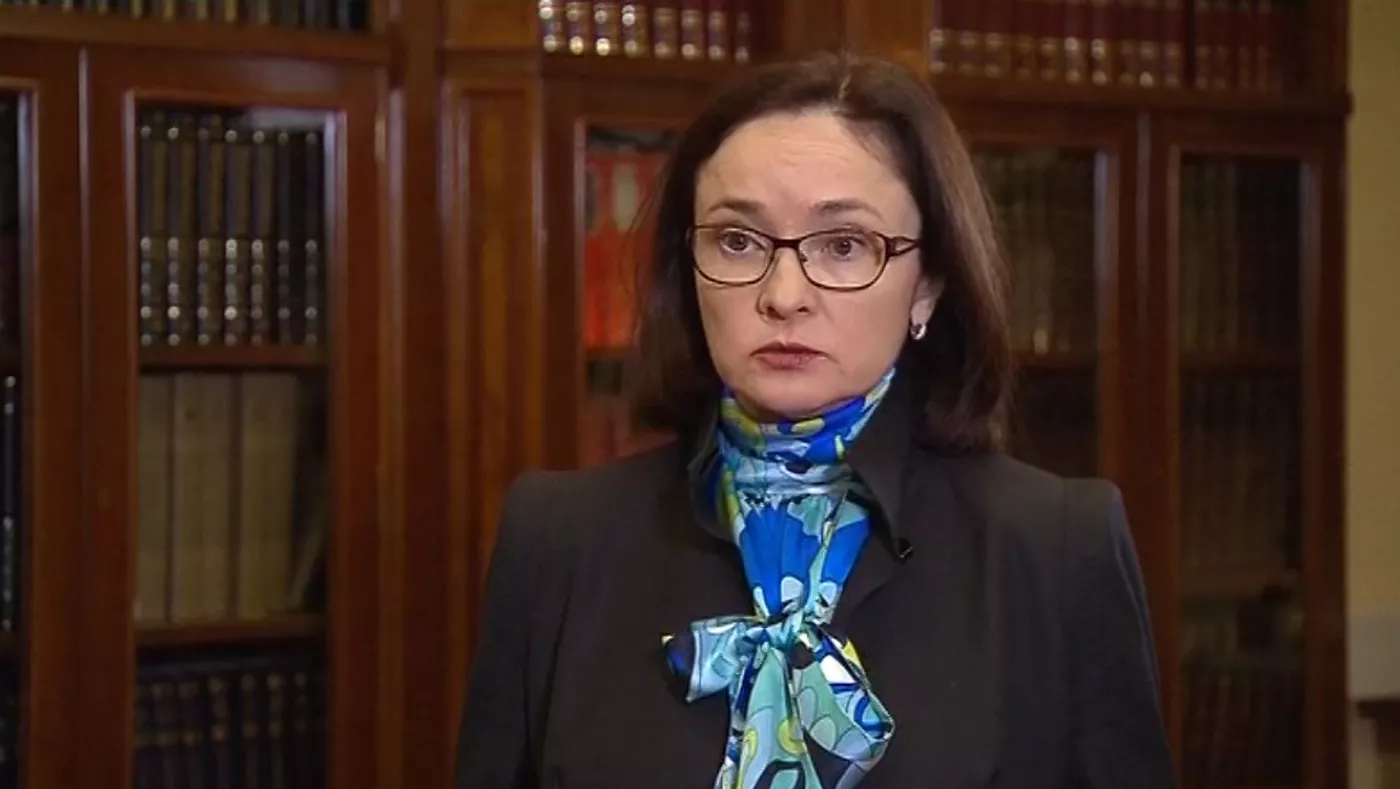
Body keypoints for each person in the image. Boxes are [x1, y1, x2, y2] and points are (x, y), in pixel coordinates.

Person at [453, 50, 1176, 789]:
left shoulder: (1058, 550)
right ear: (688, 268)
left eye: (844, 246)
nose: (784, 294)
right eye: (738, 241)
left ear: (927, 283)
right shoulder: (559, 542)